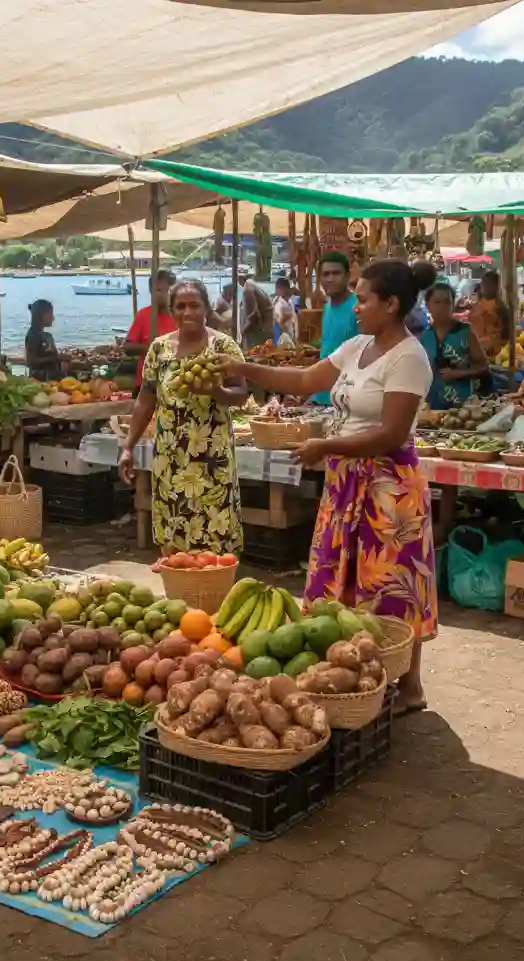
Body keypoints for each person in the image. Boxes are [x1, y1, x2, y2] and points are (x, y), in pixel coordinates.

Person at [218, 259, 440, 714]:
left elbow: (392, 434)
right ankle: (355, 678)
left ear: (391, 304)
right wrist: (243, 367)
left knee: (391, 585)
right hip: (345, 481)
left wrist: (326, 445)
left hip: (389, 487)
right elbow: (305, 380)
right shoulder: (358, 346)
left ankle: (410, 685)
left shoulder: (410, 358)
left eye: (363, 299)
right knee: (341, 581)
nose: (355, 307)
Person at [118, 279, 248, 554]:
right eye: (180, 306)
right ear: (172, 310)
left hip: (213, 460)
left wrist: (216, 392)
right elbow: (145, 400)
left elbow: (241, 394)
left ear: (207, 309)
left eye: (194, 305)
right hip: (170, 460)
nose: (187, 312)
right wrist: (128, 447)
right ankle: (178, 579)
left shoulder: (223, 346)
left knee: (216, 538)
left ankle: (216, 581)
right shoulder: (159, 350)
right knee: (174, 539)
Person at [420, 282, 489, 409]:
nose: (442, 307)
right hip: (431, 407)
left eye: (447, 302)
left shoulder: (465, 332)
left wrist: (459, 373)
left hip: (463, 407)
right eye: (437, 302)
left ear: (453, 305)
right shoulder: (424, 337)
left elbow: (484, 367)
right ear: (428, 306)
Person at [313, 251, 358, 405]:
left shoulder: (358, 308)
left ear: (347, 276)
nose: (330, 279)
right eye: (325, 274)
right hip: (323, 396)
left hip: (347, 399)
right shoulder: (328, 307)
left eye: (336, 273)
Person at [124, 269, 176, 389]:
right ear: (151, 292)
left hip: (175, 383)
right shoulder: (143, 315)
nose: (162, 295)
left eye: (167, 290)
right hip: (146, 384)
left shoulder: (180, 316)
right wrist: (153, 348)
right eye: (158, 290)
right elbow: (128, 347)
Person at [468, 269, 509, 357]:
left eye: (486, 284)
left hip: (493, 350)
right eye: (483, 284)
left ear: (496, 286)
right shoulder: (480, 303)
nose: (483, 287)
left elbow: (505, 333)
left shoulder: (499, 307)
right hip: (477, 345)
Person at [24, 299, 63, 381]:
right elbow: (31, 361)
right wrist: (54, 358)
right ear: (41, 316)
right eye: (50, 315)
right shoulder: (33, 335)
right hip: (40, 379)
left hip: (50, 375)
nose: (53, 318)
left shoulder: (46, 335)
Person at [240, 273, 274, 350]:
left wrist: (242, 332)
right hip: (265, 331)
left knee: (256, 354)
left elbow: (255, 316)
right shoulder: (253, 285)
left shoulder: (248, 288)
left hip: (258, 334)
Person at [273, 276, 298, 347]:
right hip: (282, 339)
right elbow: (279, 323)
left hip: (290, 336)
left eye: (277, 288)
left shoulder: (290, 301)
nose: (276, 291)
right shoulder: (279, 304)